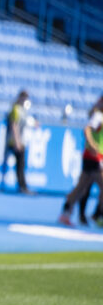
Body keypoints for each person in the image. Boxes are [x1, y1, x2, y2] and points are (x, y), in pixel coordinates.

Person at [58, 95, 103, 227]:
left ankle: (66, 211)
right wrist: (93, 145)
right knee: (85, 187)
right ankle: (97, 215)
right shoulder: (98, 116)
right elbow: (87, 129)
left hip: (95, 157)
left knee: (81, 188)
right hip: (93, 157)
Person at [4, 90, 32, 194]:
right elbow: (14, 125)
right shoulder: (16, 109)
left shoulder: (23, 110)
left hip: (21, 141)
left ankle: (23, 186)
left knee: (22, 164)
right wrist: (17, 142)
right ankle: (22, 187)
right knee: (19, 165)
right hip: (14, 141)